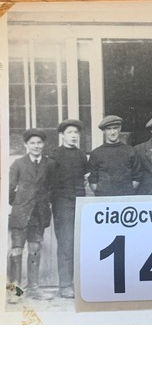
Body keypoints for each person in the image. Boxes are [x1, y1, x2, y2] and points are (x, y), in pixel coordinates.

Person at [8, 129, 56, 302]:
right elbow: (9, 190)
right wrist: (19, 205)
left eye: (39, 143)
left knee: (35, 249)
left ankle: (34, 288)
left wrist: (43, 204)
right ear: (26, 145)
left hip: (38, 215)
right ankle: (15, 290)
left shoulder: (50, 164)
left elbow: (51, 187)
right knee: (16, 251)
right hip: (20, 214)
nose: (36, 146)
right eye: (32, 143)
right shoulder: (18, 164)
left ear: (43, 144)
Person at [50, 119, 89, 299]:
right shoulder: (55, 155)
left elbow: (85, 179)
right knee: (66, 242)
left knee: (79, 243)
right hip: (62, 204)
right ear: (62, 135)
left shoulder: (81, 155)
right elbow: (49, 181)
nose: (73, 136)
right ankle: (65, 285)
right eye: (70, 132)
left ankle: (77, 283)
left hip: (79, 202)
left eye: (76, 133)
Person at [88, 115, 141, 196]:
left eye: (115, 128)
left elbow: (137, 176)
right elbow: (92, 180)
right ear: (103, 131)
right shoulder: (96, 153)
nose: (112, 132)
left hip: (125, 197)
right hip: (104, 198)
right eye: (108, 129)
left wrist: (128, 192)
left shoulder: (130, 150)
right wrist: (101, 193)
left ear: (119, 129)